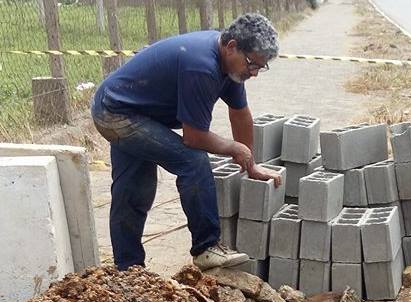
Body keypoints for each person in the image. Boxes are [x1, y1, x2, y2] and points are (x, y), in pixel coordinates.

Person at [92, 13, 284, 271]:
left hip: (135, 110)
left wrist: (251, 162)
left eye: (260, 67)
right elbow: (194, 138)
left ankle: (127, 269)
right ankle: (206, 247)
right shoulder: (202, 66)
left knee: (133, 186)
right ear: (231, 46)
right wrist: (233, 148)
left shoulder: (230, 67)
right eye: (252, 64)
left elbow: (240, 113)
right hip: (115, 112)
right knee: (191, 162)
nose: (255, 73)